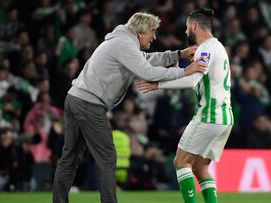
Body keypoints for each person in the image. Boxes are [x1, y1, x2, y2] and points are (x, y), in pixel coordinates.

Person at [53, 12, 206, 203]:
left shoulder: (123, 42)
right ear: (141, 32)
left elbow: (145, 60)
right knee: (107, 158)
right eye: (152, 32)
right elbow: (147, 71)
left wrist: (178, 54)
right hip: (89, 104)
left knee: (70, 158)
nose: (154, 37)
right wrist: (184, 71)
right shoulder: (124, 44)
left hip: (76, 98)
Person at [138, 8, 233, 203]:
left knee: (181, 162)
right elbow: (199, 79)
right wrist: (178, 70)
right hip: (225, 118)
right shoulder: (219, 47)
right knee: (200, 167)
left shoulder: (206, 48)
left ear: (195, 26)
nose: (185, 32)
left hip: (209, 115)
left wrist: (159, 84)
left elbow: (192, 80)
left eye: (187, 28)